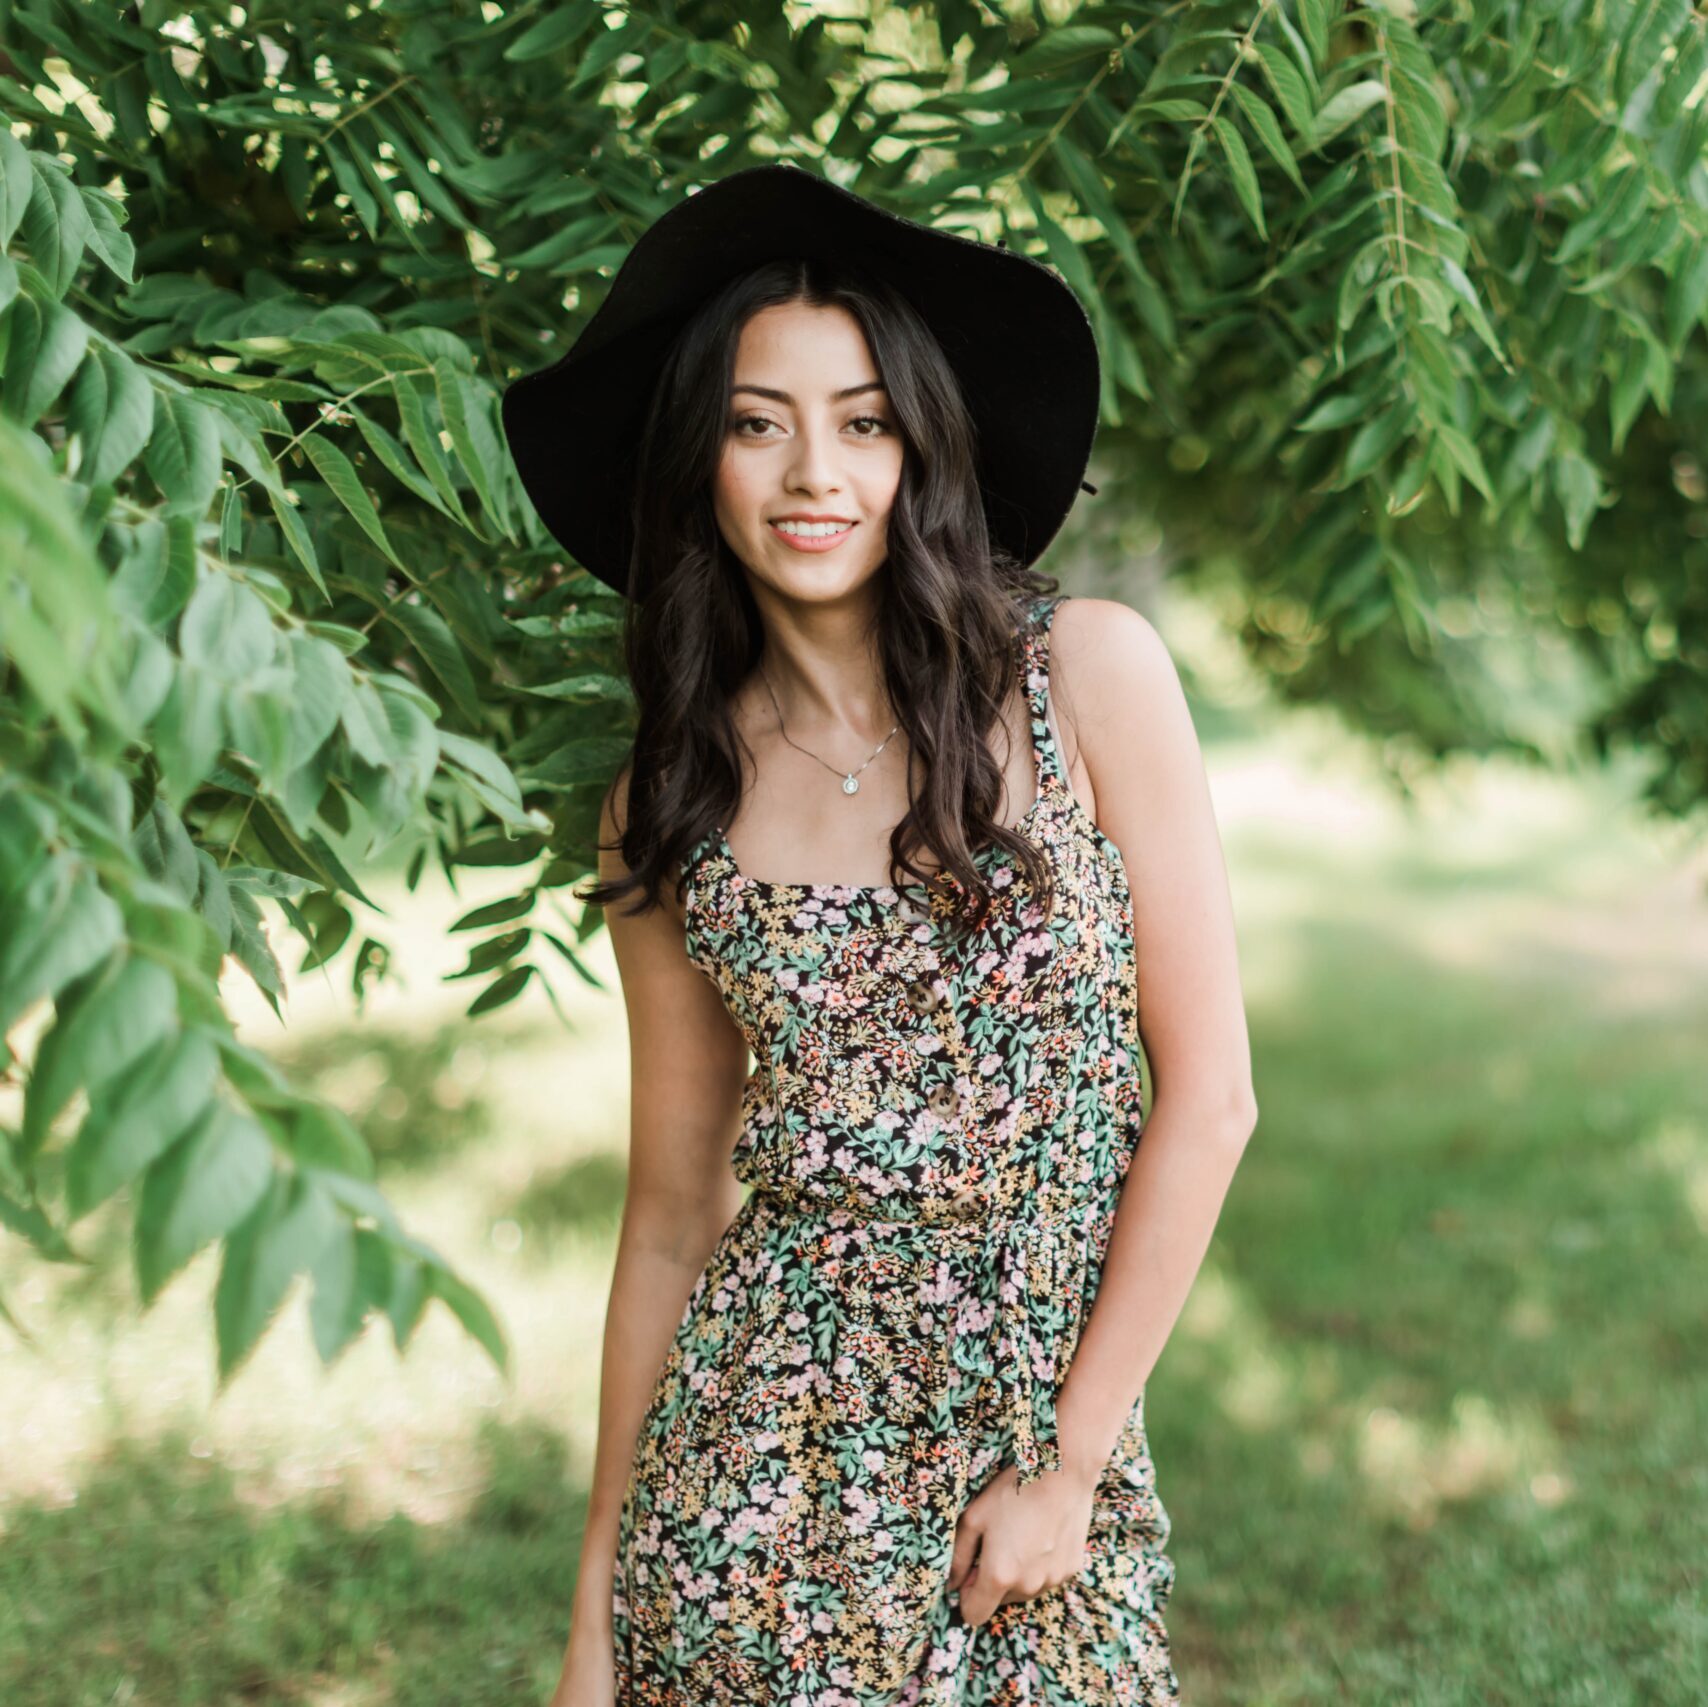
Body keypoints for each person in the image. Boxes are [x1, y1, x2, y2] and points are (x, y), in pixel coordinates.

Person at [502, 164, 1258, 1707]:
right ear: (700, 461)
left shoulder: (1088, 679)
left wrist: (1071, 1461)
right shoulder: (671, 793)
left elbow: (1214, 1099)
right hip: (743, 1498)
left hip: (1029, 1484)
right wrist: (593, 1621)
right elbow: (668, 1217)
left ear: (921, 449)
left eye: (862, 422)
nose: (812, 473)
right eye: (755, 421)